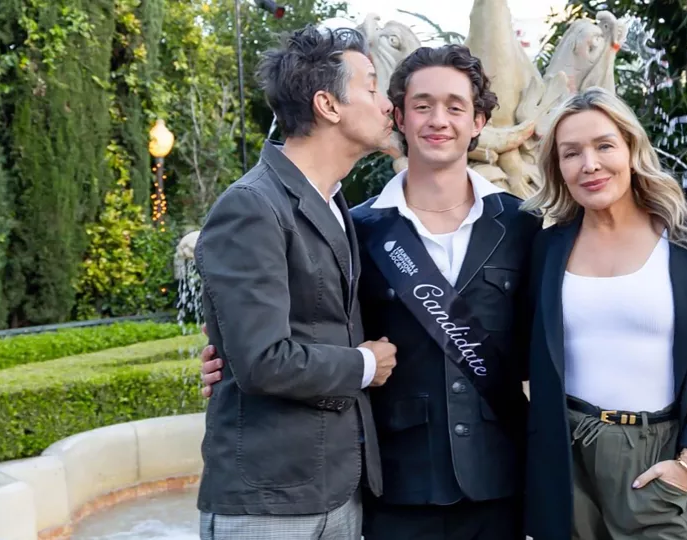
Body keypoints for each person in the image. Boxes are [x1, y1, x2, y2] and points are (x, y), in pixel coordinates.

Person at [200, 44, 540, 540]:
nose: (437, 120)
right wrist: (228, 357)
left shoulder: (522, 224)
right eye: (418, 105)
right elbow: (281, 338)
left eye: (455, 106)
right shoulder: (358, 227)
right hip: (393, 488)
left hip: (500, 482)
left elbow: (552, 340)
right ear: (399, 117)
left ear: (479, 120)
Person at [194, 25, 398, 540]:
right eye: (372, 87)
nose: (387, 103)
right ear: (329, 105)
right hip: (267, 500)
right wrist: (366, 364)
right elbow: (263, 360)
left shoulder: (333, 202)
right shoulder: (251, 205)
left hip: (335, 487)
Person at [520, 86, 687, 540]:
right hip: (566, 455)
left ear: (631, 148)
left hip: (655, 452)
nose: (590, 165)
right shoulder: (545, 247)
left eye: (604, 145)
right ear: (558, 168)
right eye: (571, 153)